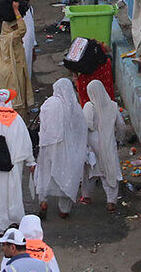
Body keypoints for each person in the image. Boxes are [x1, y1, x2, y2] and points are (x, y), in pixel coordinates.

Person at [0, 89, 33, 236]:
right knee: (13, 192)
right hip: (14, 165)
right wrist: (30, 161)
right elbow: (25, 141)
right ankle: (13, 221)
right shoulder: (16, 118)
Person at [34, 78, 86, 220]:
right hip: (66, 148)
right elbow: (80, 129)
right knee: (65, 174)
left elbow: (42, 121)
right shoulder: (74, 107)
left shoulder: (49, 103)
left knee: (45, 173)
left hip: (48, 145)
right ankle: (64, 209)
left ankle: (43, 201)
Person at [82, 79, 125, 211]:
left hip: (92, 144)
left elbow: (87, 125)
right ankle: (111, 201)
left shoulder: (89, 106)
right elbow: (121, 126)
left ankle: (87, 196)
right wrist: (118, 140)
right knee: (109, 169)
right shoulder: (113, 106)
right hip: (109, 143)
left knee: (91, 171)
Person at [0, 0, 30, 114]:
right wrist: (16, 11)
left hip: (0, 74)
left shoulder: (2, 37)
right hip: (13, 74)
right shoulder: (12, 38)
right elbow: (23, 29)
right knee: (16, 106)